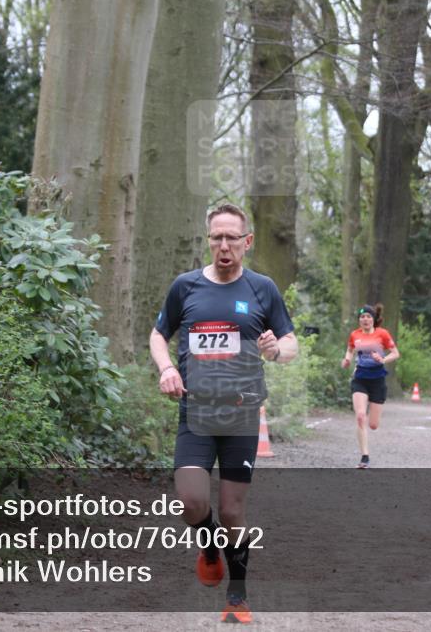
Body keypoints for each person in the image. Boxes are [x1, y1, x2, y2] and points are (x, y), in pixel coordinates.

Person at [149, 203, 298, 624]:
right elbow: (159, 334)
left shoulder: (262, 288)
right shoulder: (186, 287)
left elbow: (290, 343)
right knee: (191, 502)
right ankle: (209, 547)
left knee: (233, 512)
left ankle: (237, 594)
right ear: (208, 241)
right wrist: (166, 368)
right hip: (195, 413)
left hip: (241, 416)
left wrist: (276, 350)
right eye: (217, 237)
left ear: (247, 242)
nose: (224, 245)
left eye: (233, 237)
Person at [341, 304, 399, 469]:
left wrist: (383, 360)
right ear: (359, 320)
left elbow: (395, 353)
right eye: (362, 317)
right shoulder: (355, 335)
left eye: (368, 317)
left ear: (373, 319)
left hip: (377, 380)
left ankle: (370, 433)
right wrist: (346, 360)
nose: (365, 319)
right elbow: (350, 350)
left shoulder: (383, 334)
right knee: (360, 416)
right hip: (360, 378)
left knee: (373, 424)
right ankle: (364, 456)